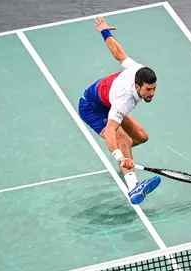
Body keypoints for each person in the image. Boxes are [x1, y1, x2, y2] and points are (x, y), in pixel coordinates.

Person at [78, 16, 161, 205]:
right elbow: (110, 130)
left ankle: (126, 165)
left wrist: (104, 31)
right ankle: (134, 188)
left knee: (141, 137)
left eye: (154, 88)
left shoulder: (138, 70)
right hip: (91, 108)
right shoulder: (124, 101)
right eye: (148, 90)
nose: (152, 93)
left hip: (107, 100)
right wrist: (120, 156)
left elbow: (118, 53)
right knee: (122, 139)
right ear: (137, 85)